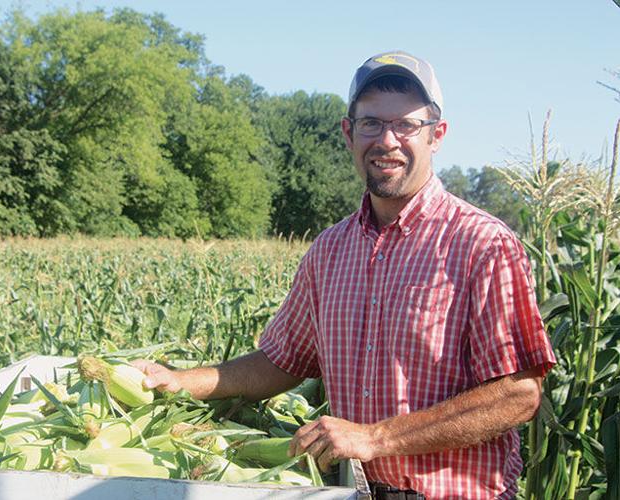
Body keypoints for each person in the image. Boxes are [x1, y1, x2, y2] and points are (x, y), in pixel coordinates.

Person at [135, 50, 556, 500]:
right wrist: (180, 381)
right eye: (372, 123)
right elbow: (281, 361)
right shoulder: (330, 250)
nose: (388, 140)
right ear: (348, 133)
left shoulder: (481, 244)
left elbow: (518, 394)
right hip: (350, 491)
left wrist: (376, 438)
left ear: (437, 135)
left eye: (406, 125)